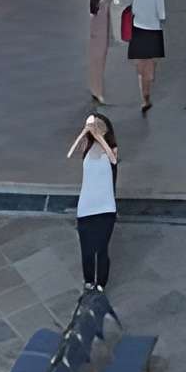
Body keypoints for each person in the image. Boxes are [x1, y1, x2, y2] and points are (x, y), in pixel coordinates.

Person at [67, 112, 118, 288]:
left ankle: (101, 283)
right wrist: (87, 133)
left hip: (106, 208)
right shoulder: (87, 145)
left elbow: (113, 159)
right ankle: (89, 281)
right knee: (87, 249)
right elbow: (73, 151)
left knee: (101, 248)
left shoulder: (111, 148)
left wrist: (100, 137)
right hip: (86, 207)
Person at [128, 0, 166, 114]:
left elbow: (134, 12)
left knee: (141, 66)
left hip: (138, 31)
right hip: (153, 32)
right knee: (150, 66)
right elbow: (161, 15)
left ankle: (143, 97)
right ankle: (146, 97)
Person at [86, 0, 113, 105]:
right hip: (102, 35)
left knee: (94, 64)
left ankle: (94, 89)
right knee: (100, 65)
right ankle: (98, 92)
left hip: (93, 34)